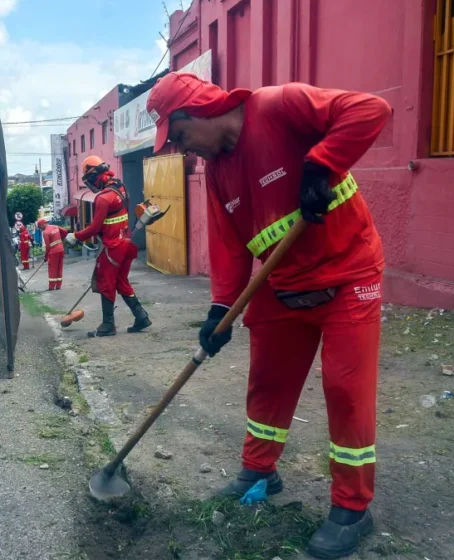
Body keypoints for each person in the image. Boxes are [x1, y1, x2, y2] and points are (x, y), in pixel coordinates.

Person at [146, 73, 391, 559]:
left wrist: (322, 165)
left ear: (197, 111)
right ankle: (259, 472)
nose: (184, 150)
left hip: (348, 274)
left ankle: (351, 508)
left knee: (345, 387)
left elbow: (371, 109)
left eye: (180, 136)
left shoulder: (280, 105)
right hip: (281, 286)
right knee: (267, 383)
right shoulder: (216, 173)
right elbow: (228, 244)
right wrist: (220, 309)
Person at [63, 156, 150, 337]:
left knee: (106, 283)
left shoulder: (103, 198)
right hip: (127, 243)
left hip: (113, 247)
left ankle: (107, 325)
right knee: (121, 282)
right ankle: (141, 316)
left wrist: (75, 236)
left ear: (94, 175)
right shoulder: (120, 187)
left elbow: (95, 227)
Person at [38, 217, 67, 290]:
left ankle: (51, 286)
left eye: (39, 227)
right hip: (61, 249)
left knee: (52, 269)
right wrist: (61, 239)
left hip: (53, 252)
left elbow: (48, 246)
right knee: (59, 268)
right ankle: (58, 285)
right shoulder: (55, 226)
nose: (40, 228)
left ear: (42, 225)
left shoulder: (45, 232)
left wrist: (45, 257)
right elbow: (65, 231)